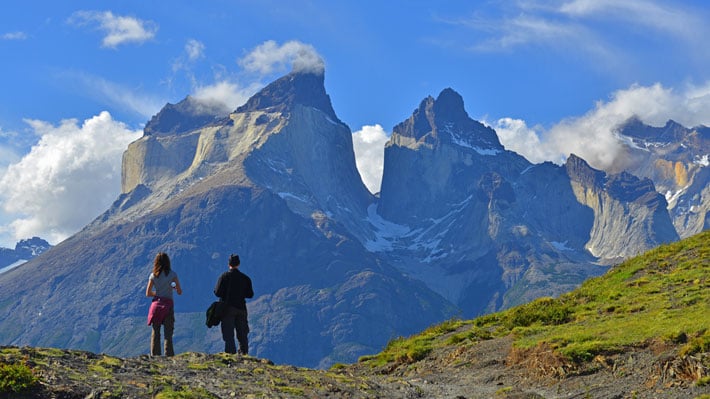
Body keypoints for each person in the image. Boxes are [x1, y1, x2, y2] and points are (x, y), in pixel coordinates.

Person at [214, 254, 254, 355]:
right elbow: (250, 294)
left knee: (228, 334)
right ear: (239, 264)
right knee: (242, 333)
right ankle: (244, 354)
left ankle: (230, 354)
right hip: (241, 308)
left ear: (229, 264)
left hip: (227, 309)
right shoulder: (245, 278)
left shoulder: (224, 277)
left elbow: (217, 292)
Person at [146, 252, 182, 356]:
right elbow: (179, 291)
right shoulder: (172, 275)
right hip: (168, 306)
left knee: (155, 333)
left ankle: (155, 356)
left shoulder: (153, 276)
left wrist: (158, 293)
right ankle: (169, 355)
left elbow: (148, 293)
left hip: (156, 306)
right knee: (168, 334)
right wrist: (171, 288)